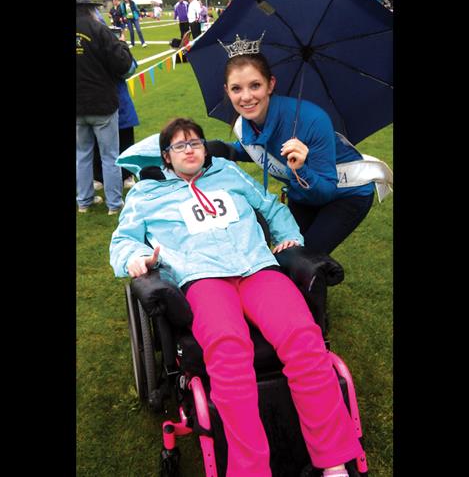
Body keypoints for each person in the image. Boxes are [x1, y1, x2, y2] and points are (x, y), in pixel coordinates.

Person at [110, 117, 364, 477]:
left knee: (305, 341)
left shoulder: (228, 174)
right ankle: (250, 470)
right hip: (202, 278)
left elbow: (273, 209)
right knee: (229, 353)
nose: (190, 150)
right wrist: (134, 258)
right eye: (179, 146)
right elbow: (122, 241)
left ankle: (335, 461)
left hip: (257, 268)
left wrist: (288, 236)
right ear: (166, 157)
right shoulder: (145, 195)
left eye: (195, 142)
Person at [221, 39, 392, 255]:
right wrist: (220, 149)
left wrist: (300, 168)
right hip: (302, 192)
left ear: (270, 84)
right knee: (289, 252)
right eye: (237, 88)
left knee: (306, 259)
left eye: (255, 85)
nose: (246, 97)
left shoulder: (313, 119)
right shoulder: (247, 122)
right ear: (227, 90)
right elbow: (256, 148)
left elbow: (325, 192)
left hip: (346, 193)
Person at [76, 0, 135, 215]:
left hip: (78, 106)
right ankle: (114, 204)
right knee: (110, 155)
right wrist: (122, 46)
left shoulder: (97, 30)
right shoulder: (99, 30)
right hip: (102, 103)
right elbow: (122, 65)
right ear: (89, 8)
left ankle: (83, 201)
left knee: (82, 154)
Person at [93, 78, 139, 190]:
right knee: (96, 142)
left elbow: (129, 67)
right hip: (94, 101)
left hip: (119, 100)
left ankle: (127, 175)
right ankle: (98, 177)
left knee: (125, 140)